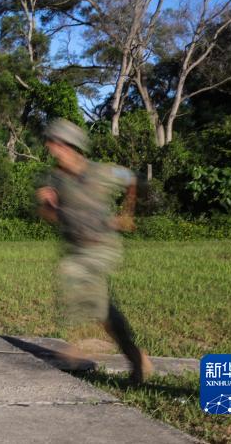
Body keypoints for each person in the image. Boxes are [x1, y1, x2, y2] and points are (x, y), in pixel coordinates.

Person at [35, 118, 153, 383]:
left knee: (72, 274)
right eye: (51, 144)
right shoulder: (54, 179)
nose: (52, 149)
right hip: (77, 248)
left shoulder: (103, 172)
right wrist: (47, 205)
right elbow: (50, 217)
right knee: (104, 312)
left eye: (56, 144)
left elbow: (134, 179)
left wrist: (128, 213)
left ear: (71, 145)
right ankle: (136, 357)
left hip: (103, 247)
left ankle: (84, 345)